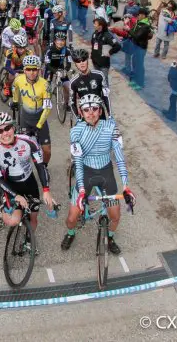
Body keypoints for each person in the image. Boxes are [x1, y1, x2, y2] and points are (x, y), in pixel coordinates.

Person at [62, 94, 135, 254]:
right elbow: (78, 162)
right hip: (86, 173)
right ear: (80, 112)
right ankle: (71, 233)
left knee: (115, 216)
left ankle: (110, 236)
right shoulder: (75, 131)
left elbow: (120, 157)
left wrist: (125, 185)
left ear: (100, 111)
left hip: (106, 173)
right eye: (86, 110)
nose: (91, 113)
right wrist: (81, 190)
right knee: (71, 218)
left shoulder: (111, 127)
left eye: (95, 108)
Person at [0, 111, 55, 234]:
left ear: (13, 127)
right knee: (13, 220)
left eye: (7, 128)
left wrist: (46, 190)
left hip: (30, 182)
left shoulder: (28, 141)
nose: (5, 133)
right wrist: (16, 196)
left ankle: (30, 240)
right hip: (11, 185)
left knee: (34, 217)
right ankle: (1, 211)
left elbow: (40, 166)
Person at [11, 55, 52, 164]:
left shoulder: (45, 84)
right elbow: (14, 87)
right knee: (23, 151)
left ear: (39, 70)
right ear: (24, 70)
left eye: (34, 69)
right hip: (25, 118)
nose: (32, 72)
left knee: (47, 151)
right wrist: (15, 101)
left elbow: (47, 108)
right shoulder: (19, 79)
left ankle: (44, 167)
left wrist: (39, 125)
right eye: (28, 69)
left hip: (40, 119)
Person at [70, 48, 112, 120]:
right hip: (85, 117)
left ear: (87, 60)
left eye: (83, 59)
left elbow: (106, 97)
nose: (81, 63)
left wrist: (110, 115)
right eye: (78, 61)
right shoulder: (74, 82)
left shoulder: (99, 75)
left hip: (99, 115)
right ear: (75, 64)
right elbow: (72, 103)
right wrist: (78, 119)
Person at [90, 18, 121, 87]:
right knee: (97, 79)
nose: (93, 25)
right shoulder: (95, 33)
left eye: (95, 24)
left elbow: (118, 46)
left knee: (104, 81)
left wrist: (110, 52)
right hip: (95, 61)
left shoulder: (107, 36)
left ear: (100, 26)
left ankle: (106, 96)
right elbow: (93, 45)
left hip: (103, 64)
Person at [128, 8, 153, 90]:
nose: (137, 16)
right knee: (135, 63)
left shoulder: (145, 25)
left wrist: (128, 30)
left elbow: (137, 36)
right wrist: (129, 31)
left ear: (143, 15)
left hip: (140, 47)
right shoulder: (139, 22)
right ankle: (135, 80)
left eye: (138, 14)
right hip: (135, 46)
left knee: (139, 66)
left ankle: (140, 83)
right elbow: (133, 31)